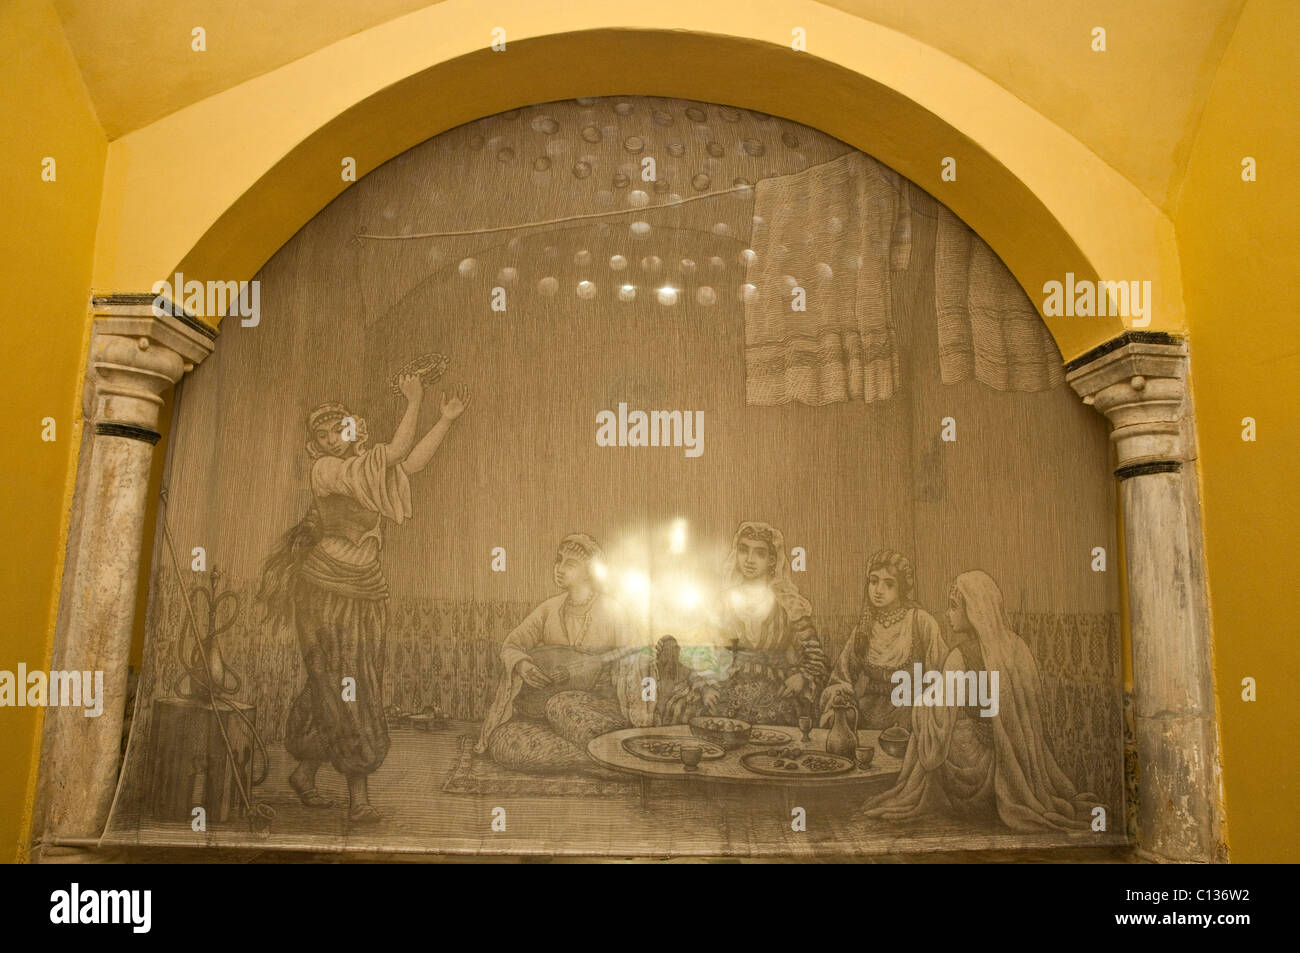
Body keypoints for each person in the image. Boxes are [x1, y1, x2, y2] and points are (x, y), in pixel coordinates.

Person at [257, 374, 470, 823]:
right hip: (324, 590)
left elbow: (408, 464)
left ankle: (305, 775)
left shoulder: (368, 470)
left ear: (355, 428)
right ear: (315, 447)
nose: (334, 438)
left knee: (346, 680)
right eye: (323, 434)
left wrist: (445, 420)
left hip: (365, 587)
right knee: (347, 683)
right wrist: (415, 399)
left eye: (340, 428)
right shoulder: (327, 471)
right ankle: (359, 796)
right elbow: (392, 453)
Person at [863, 570, 1102, 832]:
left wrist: (920, 706)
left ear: (974, 610)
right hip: (1015, 768)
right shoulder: (1017, 647)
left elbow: (939, 728)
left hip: (974, 771)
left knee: (928, 725)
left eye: (954, 607)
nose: (948, 613)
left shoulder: (959, 656)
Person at [477, 534, 648, 772]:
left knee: (561, 705)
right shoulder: (549, 609)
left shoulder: (613, 610)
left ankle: (604, 753)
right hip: (546, 712)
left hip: (597, 711)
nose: (559, 568)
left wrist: (600, 664)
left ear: (589, 571)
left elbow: (637, 651)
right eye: (559, 560)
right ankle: (601, 756)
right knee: (504, 743)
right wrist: (523, 665)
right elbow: (511, 645)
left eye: (570, 563)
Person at [676, 521, 826, 726]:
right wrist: (706, 686)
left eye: (759, 553)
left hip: (779, 691)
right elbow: (701, 650)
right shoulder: (722, 602)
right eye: (744, 551)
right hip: (728, 687)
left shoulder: (789, 603)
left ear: (772, 560)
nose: (749, 560)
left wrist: (802, 676)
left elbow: (815, 654)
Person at [819, 549, 946, 731]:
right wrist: (840, 703)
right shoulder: (863, 628)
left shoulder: (921, 622)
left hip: (912, 721)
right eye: (873, 581)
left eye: (888, 584)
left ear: (901, 588)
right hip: (866, 719)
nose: (878, 590)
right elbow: (841, 677)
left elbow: (942, 677)